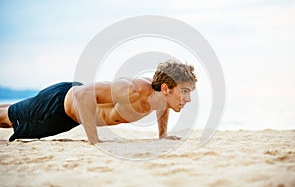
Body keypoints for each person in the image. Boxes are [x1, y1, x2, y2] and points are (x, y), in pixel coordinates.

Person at [0, 60, 197, 144]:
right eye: (184, 92)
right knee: (7, 119)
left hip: (68, 110)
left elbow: (163, 106)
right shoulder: (133, 90)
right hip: (58, 107)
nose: (187, 98)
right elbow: (82, 95)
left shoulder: (161, 98)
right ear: (165, 88)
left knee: (10, 110)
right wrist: (95, 141)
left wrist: (162, 135)